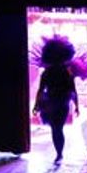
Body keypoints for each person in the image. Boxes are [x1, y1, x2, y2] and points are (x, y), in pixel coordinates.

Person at [33, 35, 80, 164]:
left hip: (51, 102)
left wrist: (36, 105)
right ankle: (59, 152)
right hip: (63, 102)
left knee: (55, 128)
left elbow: (41, 90)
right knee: (58, 128)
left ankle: (59, 152)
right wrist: (77, 106)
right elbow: (73, 90)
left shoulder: (46, 73)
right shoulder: (67, 72)